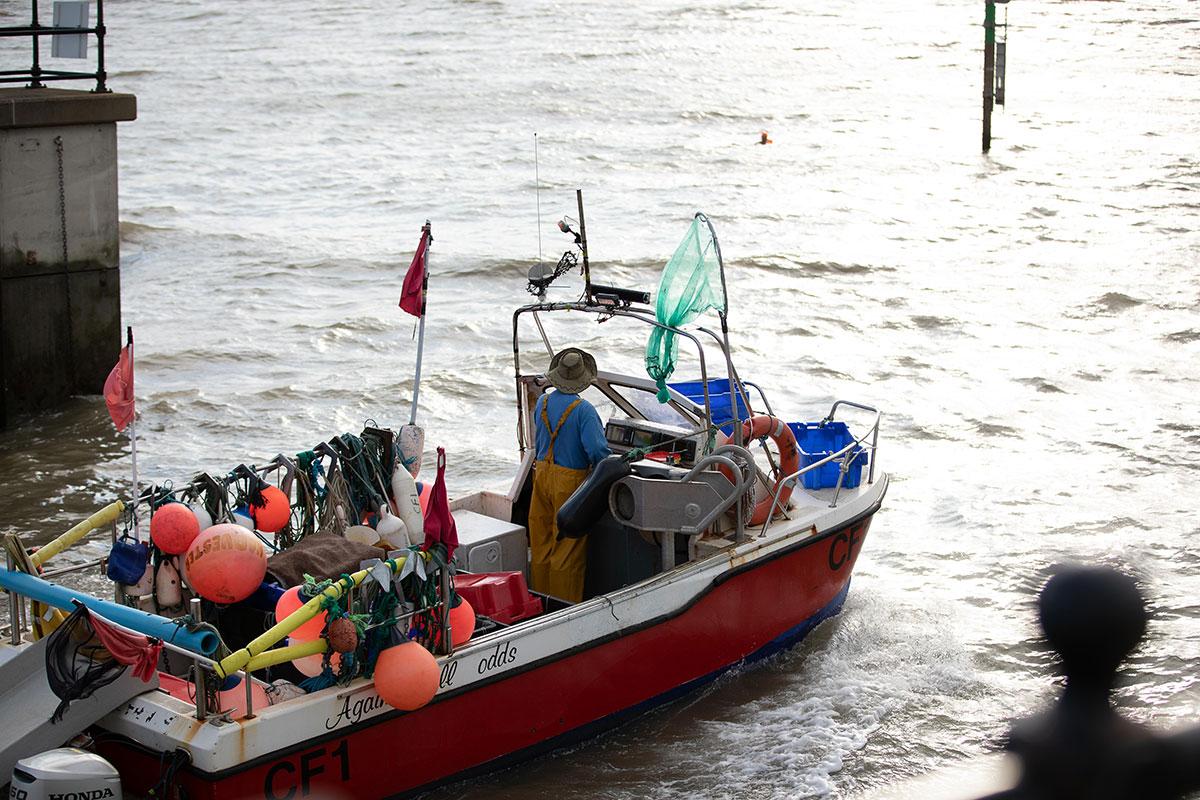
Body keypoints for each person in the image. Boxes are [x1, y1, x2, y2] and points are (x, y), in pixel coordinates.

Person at [527, 347, 611, 603]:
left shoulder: (542, 402)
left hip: (541, 477)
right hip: (570, 483)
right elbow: (598, 451)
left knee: (541, 544)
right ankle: (562, 609)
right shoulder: (584, 410)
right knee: (567, 549)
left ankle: (540, 604)